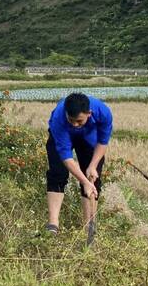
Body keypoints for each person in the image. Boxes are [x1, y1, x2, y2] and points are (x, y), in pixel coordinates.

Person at [45, 93, 112, 239]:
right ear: (66, 114)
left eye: (79, 121)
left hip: (89, 139)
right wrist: (84, 181)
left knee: (93, 178)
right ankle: (53, 225)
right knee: (58, 173)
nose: (74, 124)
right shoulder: (59, 118)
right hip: (61, 137)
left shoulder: (103, 112)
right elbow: (66, 158)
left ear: (89, 113)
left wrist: (92, 166)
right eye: (71, 120)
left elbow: (103, 142)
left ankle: (89, 227)